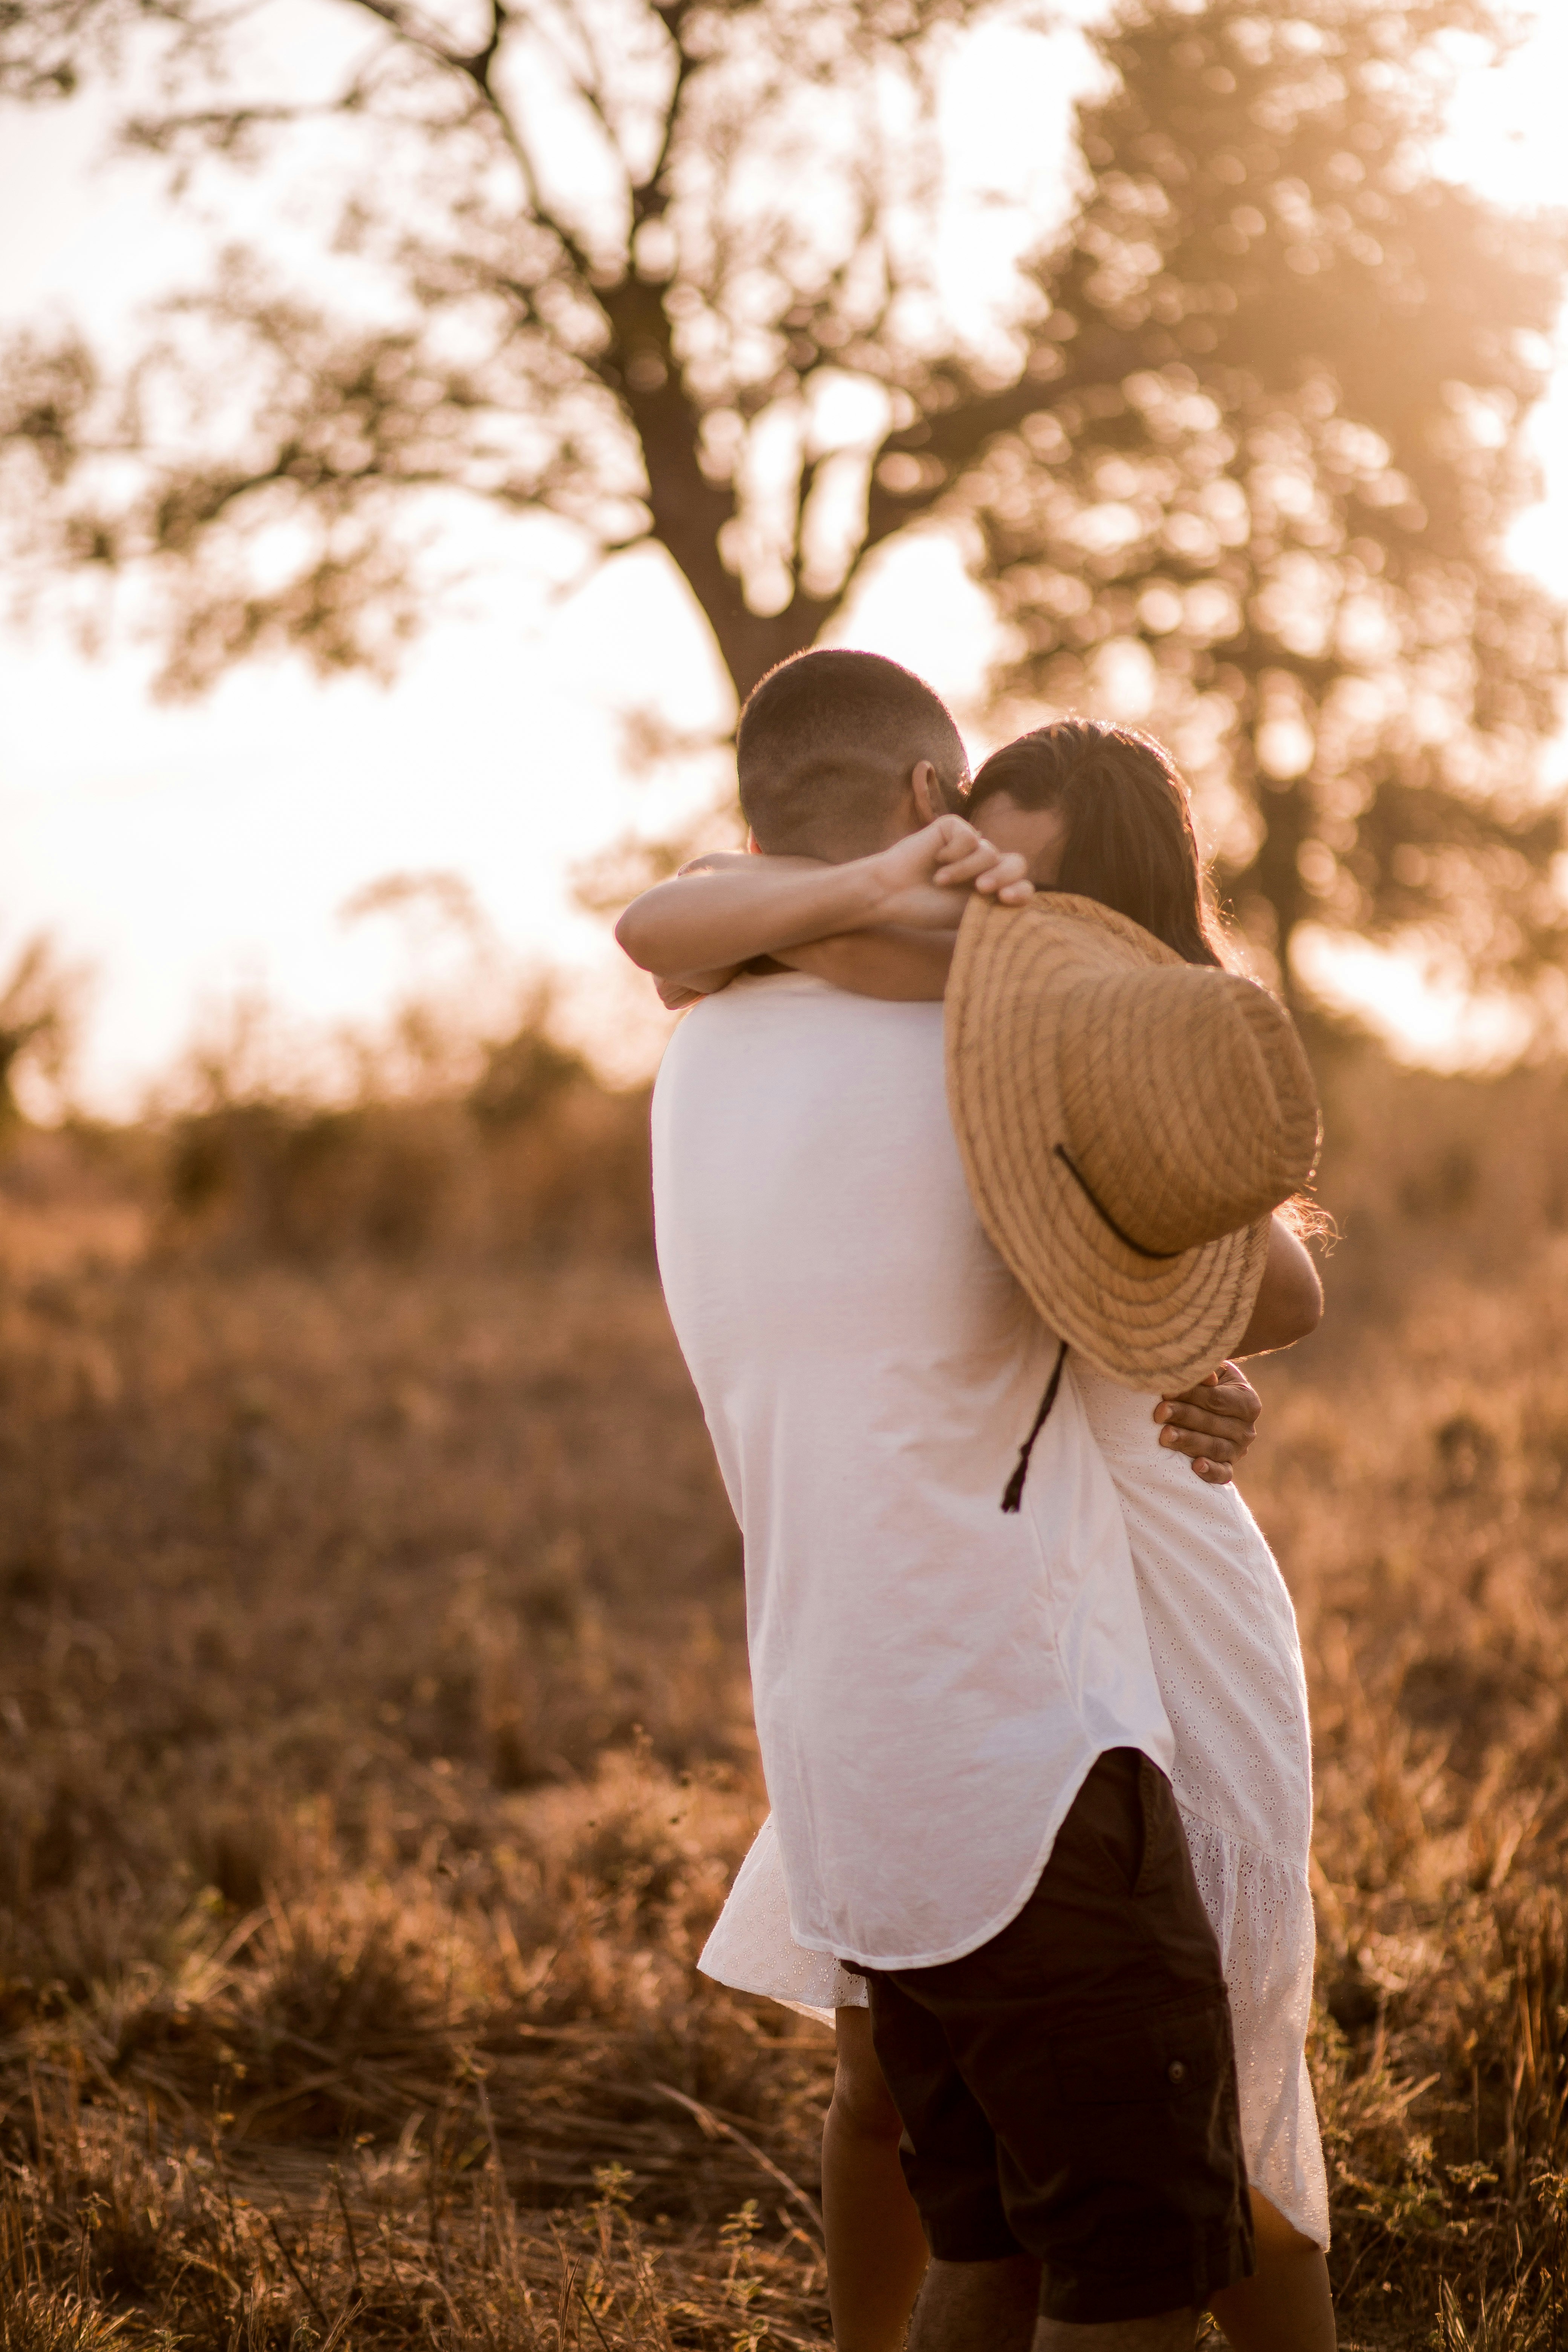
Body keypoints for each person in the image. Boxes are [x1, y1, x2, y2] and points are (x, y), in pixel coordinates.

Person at [624, 653, 1322, 2352]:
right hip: (1003, 1690)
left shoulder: (994, 1048)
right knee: (1094, 2194)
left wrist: (1162, 1326)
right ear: (928, 815)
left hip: (968, 1645)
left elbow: (1260, 1285)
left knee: (1150, 2136)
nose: (994, 909)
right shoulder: (848, 1014)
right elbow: (683, 910)